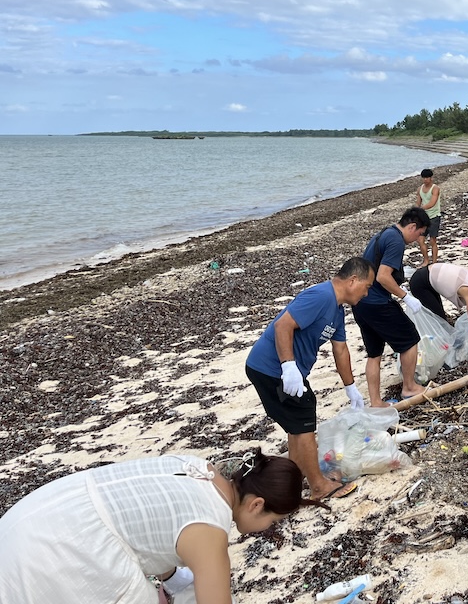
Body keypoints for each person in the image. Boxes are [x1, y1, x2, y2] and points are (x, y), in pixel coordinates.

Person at [0, 449, 314, 603]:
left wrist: (174, 578)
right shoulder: (209, 528)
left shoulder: (198, 468)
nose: (264, 529)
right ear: (256, 504)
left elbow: (152, 521)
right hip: (65, 551)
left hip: (35, 515)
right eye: (271, 521)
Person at [245, 257, 374, 501]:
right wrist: (289, 367)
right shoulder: (321, 296)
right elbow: (283, 325)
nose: (366, 293)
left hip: (279, 369)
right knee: (303, 421)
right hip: (270, 367)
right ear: (353, 280)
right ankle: (318, 486)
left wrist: (351, 388)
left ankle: (294, 479)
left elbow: (341, 350)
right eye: (366, 286)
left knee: (297, 424)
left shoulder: (337, 311)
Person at [354, 207, 431, 406]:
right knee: (410, 339)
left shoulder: (383, 234)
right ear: (413, 226)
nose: (417, 238)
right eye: (419, 233)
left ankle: (376, 401)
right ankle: (409, 387)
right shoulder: (396, 240)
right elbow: (383, 276)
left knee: (374, 353)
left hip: (359, 302)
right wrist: (406, 297)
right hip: (377, 302)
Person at [415, 168, 441, 266]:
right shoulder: (420, 189)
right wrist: (416, 211)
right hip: (423, 218)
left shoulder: (435, 188)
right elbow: (418, 202)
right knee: (420, 239)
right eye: (424, 178)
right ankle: (426, 260)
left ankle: (434, 262)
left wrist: (421, 209)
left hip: (434, 216)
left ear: (431, 178)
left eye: (427, 178)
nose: (425, 180)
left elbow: (432, 203)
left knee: (432, 240)